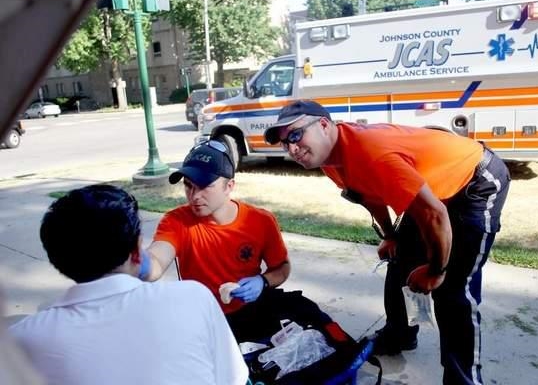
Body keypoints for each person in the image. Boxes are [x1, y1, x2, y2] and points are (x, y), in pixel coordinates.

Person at [264, 100, 511, 385]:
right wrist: (391, 237)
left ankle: (463, 380)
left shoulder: (370, 152)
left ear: (323, 125)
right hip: (432, 192)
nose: (292, 149)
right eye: (284, 143)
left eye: (295, 135)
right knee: (400, 262)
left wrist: (436, 270)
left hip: (476, 180)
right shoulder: (330, 159)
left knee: (453, 290)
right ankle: (400, 334)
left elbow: (434, 214)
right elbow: (368, 196)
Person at [9, 184, 248, 385]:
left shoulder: (19, 341)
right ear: (136, 250)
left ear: (57, 259)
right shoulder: (193, 298)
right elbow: (233, 378)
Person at [144, 141, 324, 342]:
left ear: (229, 186)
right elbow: (157, 260)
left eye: (205, 186)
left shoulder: (260, 221)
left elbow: (281, 268)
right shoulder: (176, 221)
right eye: (188, 185)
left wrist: (263, 282)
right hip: (203, 318)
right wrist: (140, 262)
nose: (194, 196)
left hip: (251, 311)